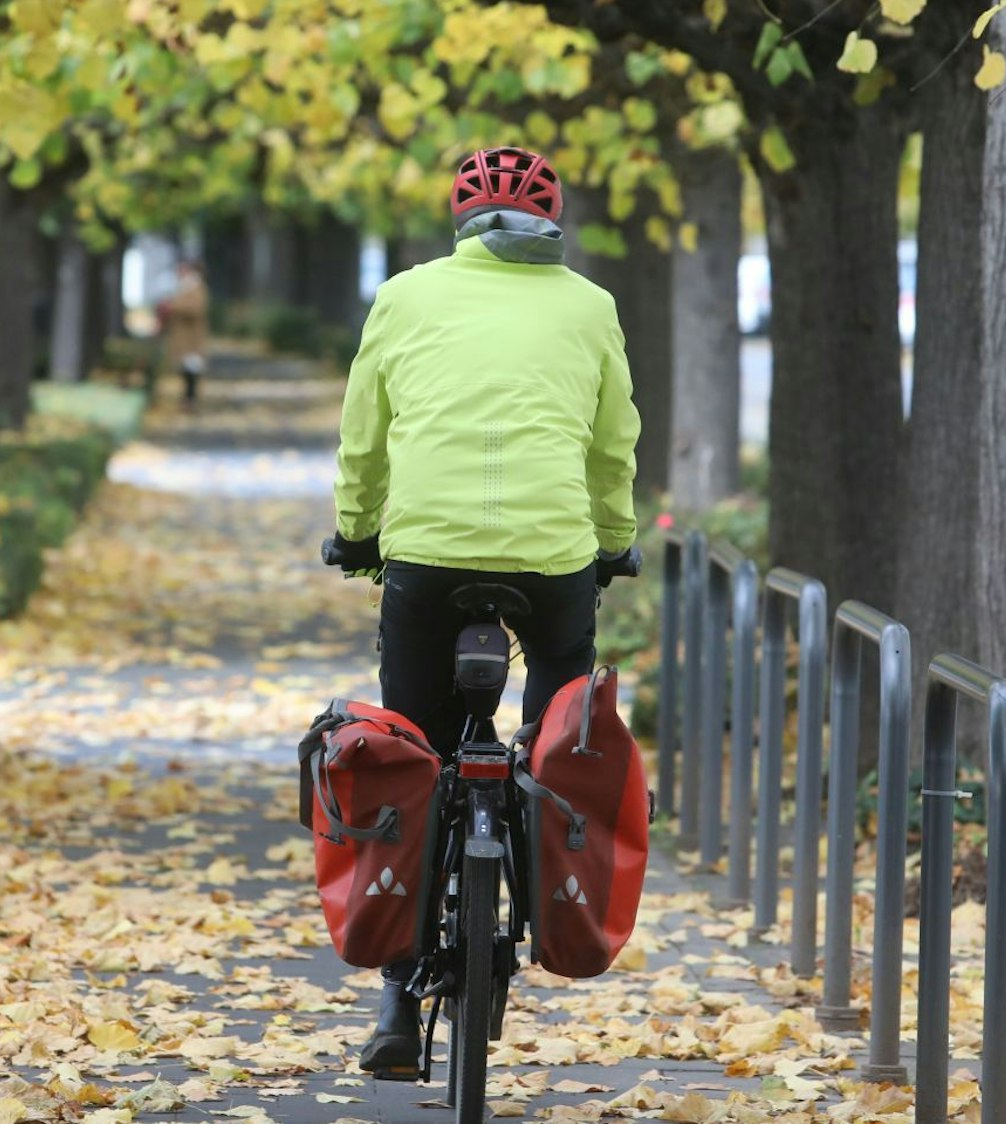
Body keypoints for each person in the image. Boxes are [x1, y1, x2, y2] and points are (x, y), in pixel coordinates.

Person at [324, 145, 643, 1078]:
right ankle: (555, 899)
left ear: (458, 222)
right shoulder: (590, 306)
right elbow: (611, 443)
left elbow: (364, 431)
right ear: (554, 221)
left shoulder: (405, 294)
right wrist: (612, 539)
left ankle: (392, 988)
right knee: (557, 742)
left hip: (420, 554)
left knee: (412, 750)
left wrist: (356, 530)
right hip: (553, 560)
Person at [157, 259, 209, 406]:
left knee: (191, 365)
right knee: (186, 366)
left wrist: (173, 307)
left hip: (191, 335)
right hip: (183, 334)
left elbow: (196, 308)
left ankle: (190, 397)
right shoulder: (185, 287)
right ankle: (188, 397)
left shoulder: (195, 287)